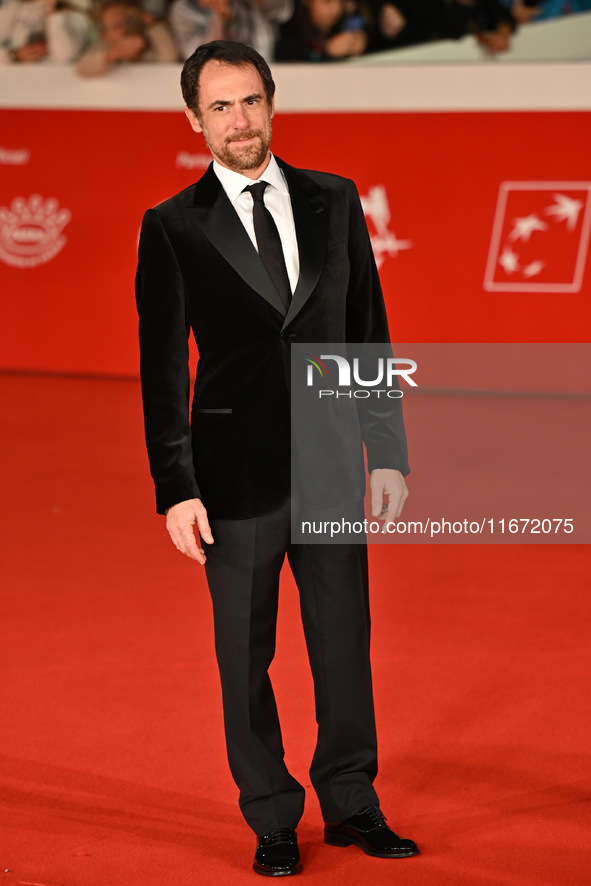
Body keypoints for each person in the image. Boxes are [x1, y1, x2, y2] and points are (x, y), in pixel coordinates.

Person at [135, 39, 419, 877]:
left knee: (343, 646)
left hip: (332, 463)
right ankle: (269, 815)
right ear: (194, 120)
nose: (239, 120)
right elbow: (161, 370)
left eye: (250, 100)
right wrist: (174, 487)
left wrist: (387, 451)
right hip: (233, 477)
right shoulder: (172, 225)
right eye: (219, 107)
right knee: (243, 656)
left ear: (272, 102)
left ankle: (353, 802)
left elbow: (366, 330)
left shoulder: (335, 201)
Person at [76, 0, 177, 77]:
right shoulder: (104, 46)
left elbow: (170, 58)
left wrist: (151, 22)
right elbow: (83, 68)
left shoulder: (149, 41)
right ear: (104, 33)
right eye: (117, 26)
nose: (124, 29)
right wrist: (114, 53)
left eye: (128, 21)